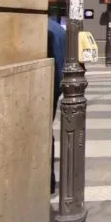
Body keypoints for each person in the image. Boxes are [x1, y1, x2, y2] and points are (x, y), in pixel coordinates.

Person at [47, 18, 66, 195]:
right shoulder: (58, 28)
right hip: (55, 86)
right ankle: (50, 180)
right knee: (48, 132)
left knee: (45, 134)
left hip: (46, 86)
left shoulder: (45, 30)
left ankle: (47, 179)